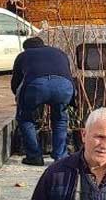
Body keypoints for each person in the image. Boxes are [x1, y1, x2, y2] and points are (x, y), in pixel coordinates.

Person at [11, 37, 76, 166]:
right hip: (64, 86)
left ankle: (34, 156)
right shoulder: (59, 52)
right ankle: (60, 157)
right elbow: (68, 73)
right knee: (60, 119)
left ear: (26, 48)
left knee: (25, 119)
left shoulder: (23, 55)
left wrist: (21, 100)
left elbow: (16, 81)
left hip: (36, 86)